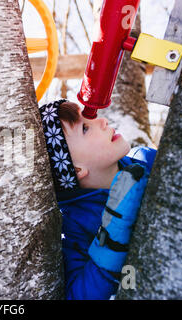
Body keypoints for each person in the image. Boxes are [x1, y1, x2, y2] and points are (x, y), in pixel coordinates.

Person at [38, 99, 157, 300]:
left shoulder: (149, 161)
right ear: (76, 170)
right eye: (85, 128)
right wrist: (112, 239)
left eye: (91, 118)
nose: (102, 121)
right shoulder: (75, 225)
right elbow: (79, 295)